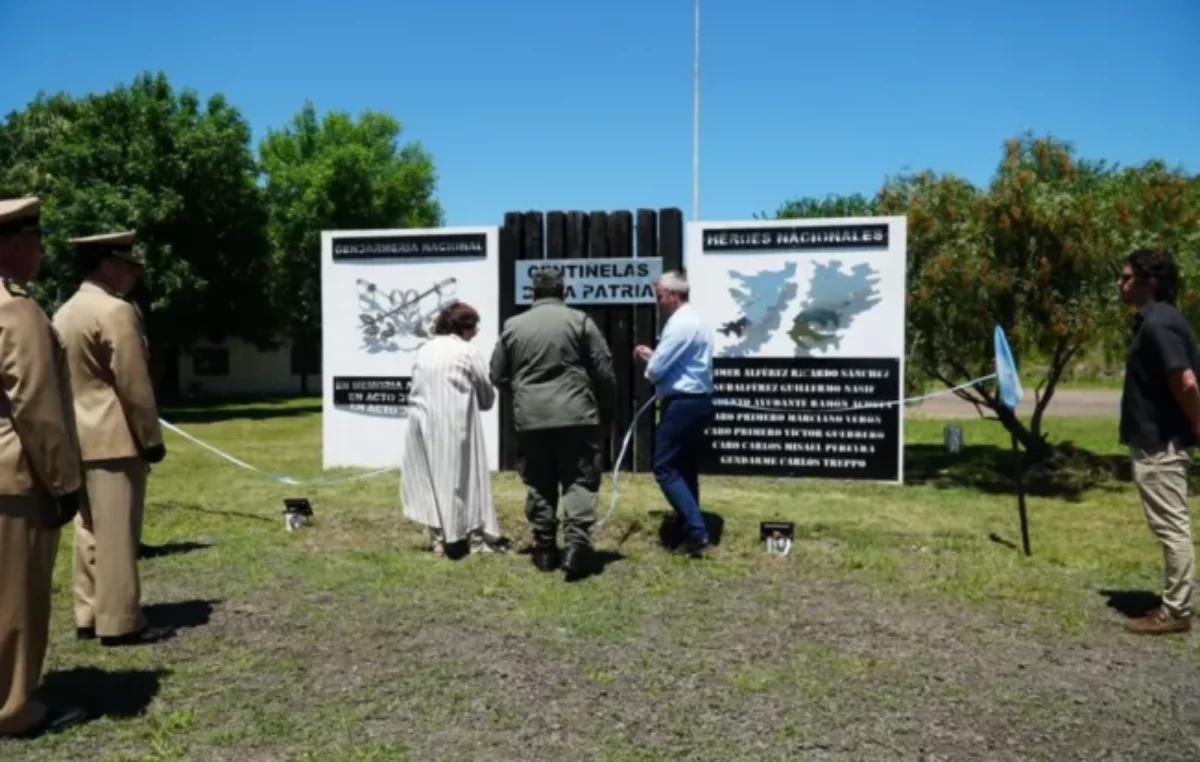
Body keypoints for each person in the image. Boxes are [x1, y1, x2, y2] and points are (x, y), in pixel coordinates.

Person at [53, 231, 173, 647]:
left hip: (77, 434)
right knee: (119, 530)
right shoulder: (116, 311)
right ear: (107, 265)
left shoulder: (64, 311)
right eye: (128, 266)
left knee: (86, 527)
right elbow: (133, 382)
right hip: (114, 435)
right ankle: (121, 620)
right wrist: (150, 436)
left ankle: (88, 612)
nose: (134, 276)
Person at [0, 196, 88, 739]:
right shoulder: (17, 309)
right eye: (36, 240)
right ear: (13, 244)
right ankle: (14, 708)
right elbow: (36, 406)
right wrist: (63, 484)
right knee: (17, 599)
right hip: (14, 473)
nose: (41, 251)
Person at [490, 269, 616, 578]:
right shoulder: (580, 321)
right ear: (564, 291)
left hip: (531, 418)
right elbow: (604, 371)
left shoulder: (513, 326)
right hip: (576, 414)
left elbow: (497, 374)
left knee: (539, 481)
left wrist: (523, 393)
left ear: (533, 293)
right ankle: (576, 546)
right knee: (580, 480)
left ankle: (544, 548)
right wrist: (607, 411)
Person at [1117, 247, 1200, 635]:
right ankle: (1176, 603)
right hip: (1156, 440)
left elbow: (1184, 381)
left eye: (1127, 276)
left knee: (1172, 526)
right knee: (1169, 524)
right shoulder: (1157, 321)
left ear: (1149, 282)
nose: (1121, 284)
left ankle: (1177, 611)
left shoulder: (1159, 324)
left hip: (1160, 444)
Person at [400, 302, 502, 556]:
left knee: (429, 481)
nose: (476, 332)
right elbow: (487, 395)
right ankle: (471, 536)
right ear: (463, 327)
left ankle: (439, 539)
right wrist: (484, 399)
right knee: (463, 480)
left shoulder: (424, 350)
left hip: (421, 422)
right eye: (473, 326)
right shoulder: (467, 351)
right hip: (454, 423)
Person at [634, 270, 715, 558]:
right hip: (699, 400)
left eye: (659, 297)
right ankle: (688, 521)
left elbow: (656, 370)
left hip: (682, 402)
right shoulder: (697, 320)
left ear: (672, 295)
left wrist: (649, 361)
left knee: (664, 467)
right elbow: (674, 362)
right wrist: (652, 355)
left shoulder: (680, 324)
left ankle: (695, 530)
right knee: (684, 466)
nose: (657, 302)